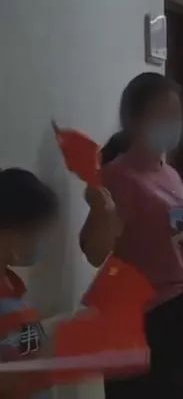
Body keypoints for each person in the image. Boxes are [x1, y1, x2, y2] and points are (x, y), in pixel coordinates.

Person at [81, 72, 183, 399]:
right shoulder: (118, 176)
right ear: (133, 121)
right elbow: (94, 252)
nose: (172, 123)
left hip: (175, 311)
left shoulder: (172, 176)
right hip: (137, 318)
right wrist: (102, 212)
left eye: (176, 115)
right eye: (162, 115)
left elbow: (181, 252)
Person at [0, 168, 60, 398]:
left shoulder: (10, 287)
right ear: (11, 236)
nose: (41, 242)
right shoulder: (7, 308)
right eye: (37, 233)